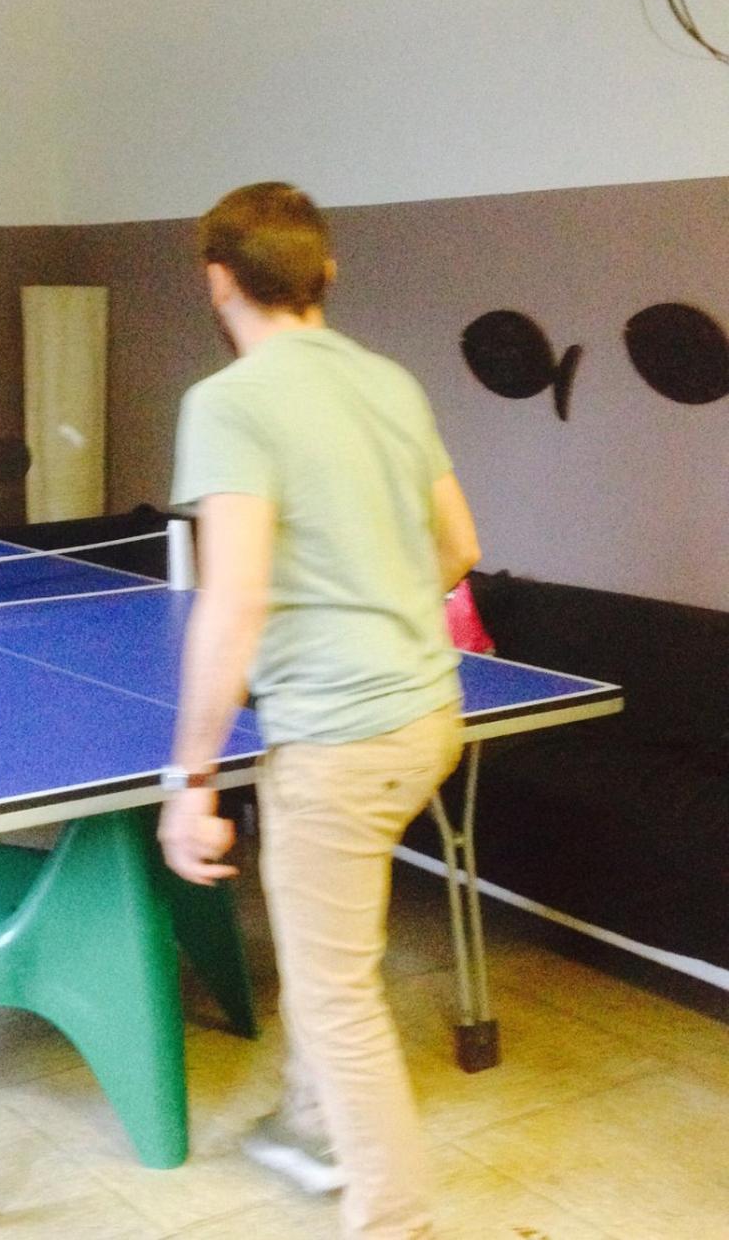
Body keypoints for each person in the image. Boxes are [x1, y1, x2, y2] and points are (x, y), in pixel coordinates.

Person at [158, 183, 482, 1239]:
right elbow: (458, 546)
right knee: (327, 952)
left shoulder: (230, 402)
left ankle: (394, 1217)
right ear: (324, 274)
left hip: (339, 742)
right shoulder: (389, 381)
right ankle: (311, 1125)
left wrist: (190, 781)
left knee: (338, 996)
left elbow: (232, 600)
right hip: (427, 714)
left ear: (217, 282)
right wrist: (375, 604)